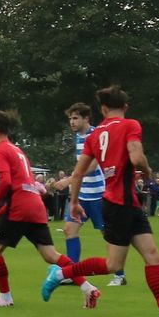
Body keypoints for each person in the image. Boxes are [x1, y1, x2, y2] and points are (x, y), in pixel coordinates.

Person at [46, 87, 159, 317]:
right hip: (118, 204)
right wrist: (147, 171)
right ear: (125, 107)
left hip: (127, 204)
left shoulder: (95, 135)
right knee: (112, 264)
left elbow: (77, 174)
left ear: (103, 109)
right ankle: (61, 274)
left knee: (152, 255)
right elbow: (137, 158)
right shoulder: (130, 125)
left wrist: (74, 202)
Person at [0, 111, 101, 310]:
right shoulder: (17, 151)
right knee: (50, 255)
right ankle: (87, 287)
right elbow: (23, 186)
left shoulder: (0, 150)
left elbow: (7, 182)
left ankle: (5, 296)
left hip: (20, 207)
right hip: (34, 205)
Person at [56, 102, 127, 288]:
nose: (71, 122)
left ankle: (119, 275)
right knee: (69, 230)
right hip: (82, 196)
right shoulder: (78, 138)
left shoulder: (96, 135)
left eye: (75, 118)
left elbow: (93, 165)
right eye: (70, 118)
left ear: (86, 118)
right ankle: (72, 273)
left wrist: (68, 180)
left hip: (98, 195)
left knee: (108, 234)